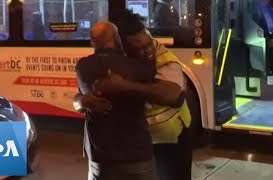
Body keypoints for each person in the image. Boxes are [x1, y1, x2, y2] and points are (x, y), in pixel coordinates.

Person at [75, 10, 193, 180]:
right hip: (141, 145)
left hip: (170, 140)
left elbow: (174, 95)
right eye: (139, 49)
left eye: (148, 44)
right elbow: (79, 98)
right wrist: (83, 101)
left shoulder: (165, 60)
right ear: (121, 45)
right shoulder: (119, 62)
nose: (147, 52)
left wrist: (123, 86)